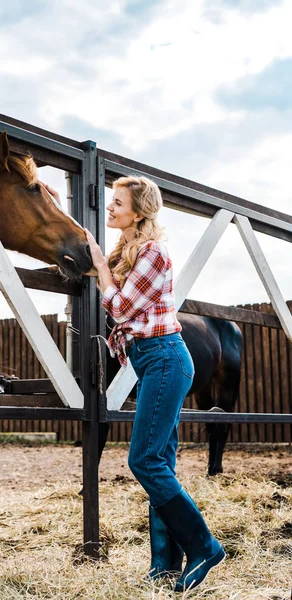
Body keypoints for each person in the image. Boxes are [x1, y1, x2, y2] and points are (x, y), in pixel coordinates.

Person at [84, 175, 225, 593]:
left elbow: (123, 308)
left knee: (143, 460)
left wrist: (102, 269)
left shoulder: (153, 253)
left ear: (139, 212)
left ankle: (204, 546)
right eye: (110, 201)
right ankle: (164, 563)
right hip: (152, 362)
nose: (110, 208)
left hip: (165, 357)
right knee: (160, 462)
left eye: (118, 203)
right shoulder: (132, 252)